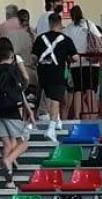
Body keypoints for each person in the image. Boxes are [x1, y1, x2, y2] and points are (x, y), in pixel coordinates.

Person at [0, 42, 33, 185]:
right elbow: (20, 89)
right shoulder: (14, 70)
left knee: (7, 143)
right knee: (23, 142)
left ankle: (9, 180)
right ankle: (8, 160)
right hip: (12, 111)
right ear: (12, 56)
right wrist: (27, 109)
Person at [32, 11, 76, 141]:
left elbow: (34, 57)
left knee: (50, 98)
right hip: (57, 72)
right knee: (56, 99)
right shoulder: (66, 39)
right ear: (60, 23)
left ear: (49, 23)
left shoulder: (40, 38)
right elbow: (75, 57)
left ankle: (57, 121)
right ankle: (51, 128)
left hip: (43, 72)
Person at [62, 5, 102, 122]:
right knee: (91, 90)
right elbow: (99, 39)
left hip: (76, 63)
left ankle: (76, 115)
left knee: (78, 91)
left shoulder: (69, 28)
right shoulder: (89, 24)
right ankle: (93, 114)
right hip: (91, 62)